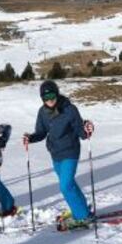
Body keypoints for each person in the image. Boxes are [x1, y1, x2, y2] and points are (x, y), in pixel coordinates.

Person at [23, 80, 94, 224]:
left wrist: (87, 130)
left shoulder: (70, 109)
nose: (50, 100)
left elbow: (81, 132)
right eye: (46, 98)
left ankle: (82, 216)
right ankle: (81, 208)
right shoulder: (42, 112)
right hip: (55, 154)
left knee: (65, 185)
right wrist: (30, 138)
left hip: (70, 152)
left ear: (57, 93)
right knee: (69, 184)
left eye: (52, 96)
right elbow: (41, 132)